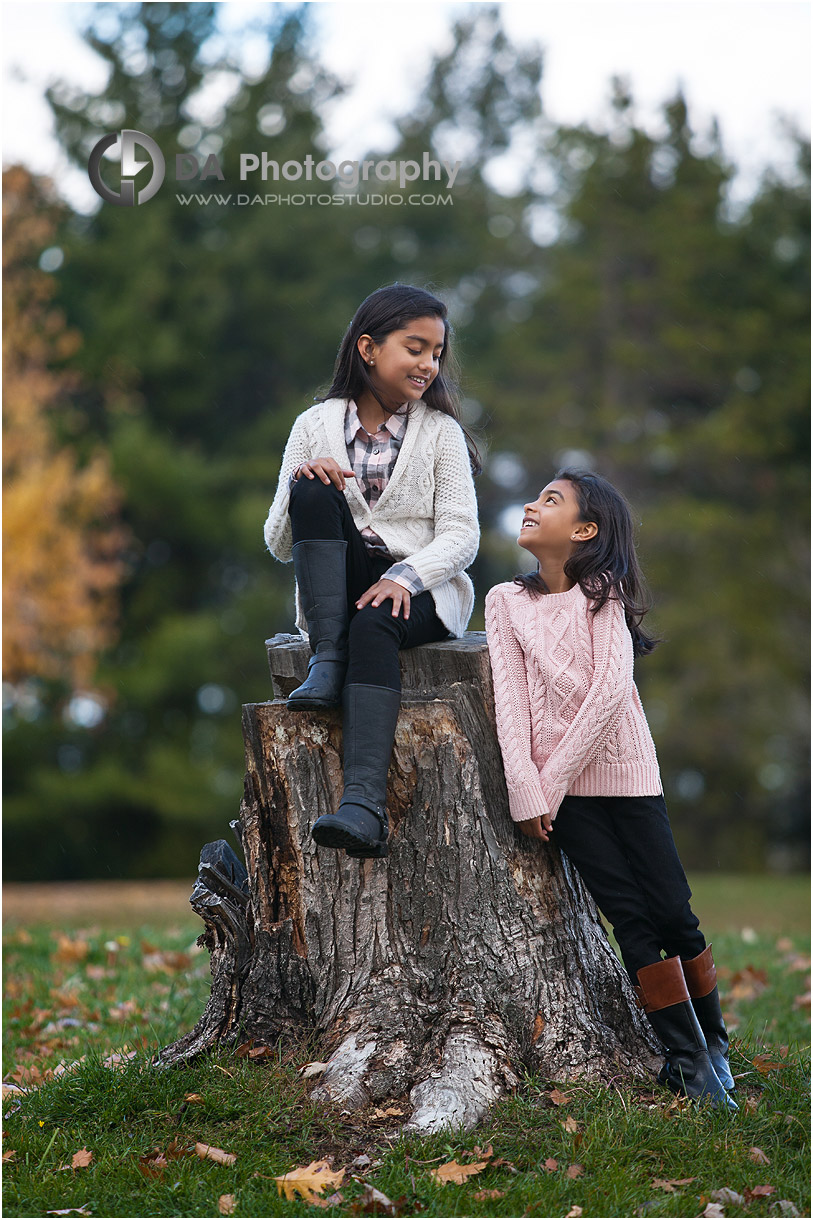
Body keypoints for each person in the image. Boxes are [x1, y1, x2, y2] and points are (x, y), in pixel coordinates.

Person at [484, 469, 736, 1109]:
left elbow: (606, 697)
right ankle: (687, 1062)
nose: (534, 506)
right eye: (536, 496)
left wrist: (553, 778)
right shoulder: (505, 602)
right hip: (557, 796)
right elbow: (508, 705)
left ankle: (716, 1047)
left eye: (552, 500)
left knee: (674, 911)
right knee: (629, 918)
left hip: (624, 777)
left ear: (585, 530)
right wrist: (528, 791)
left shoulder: (605, 593)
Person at [264, 284, 480, 859]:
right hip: (339, 587)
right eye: (415, 348)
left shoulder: (441, 433)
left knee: (377, 619)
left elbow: (462, 534)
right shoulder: (312, 425)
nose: (428, 365)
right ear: (367, 347)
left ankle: (363, 808)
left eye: (436, 353)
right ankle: (326, 660)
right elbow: (279, 541)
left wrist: (405, 576)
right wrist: (304, 484)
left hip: (423, 589)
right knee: (310, 490)